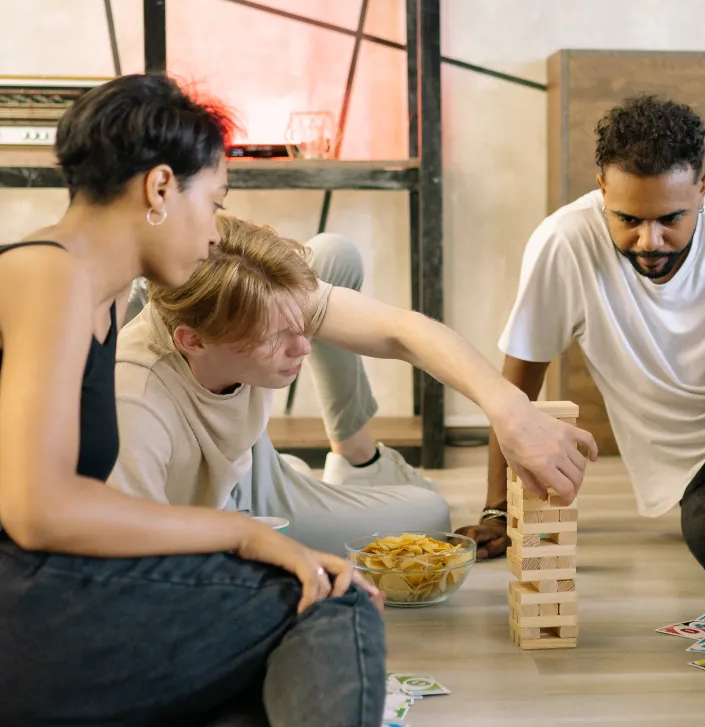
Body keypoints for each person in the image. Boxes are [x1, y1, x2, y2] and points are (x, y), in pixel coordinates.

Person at [0, 74, 590, 727]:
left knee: (278, 644)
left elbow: (394, 328)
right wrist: (243, 536)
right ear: (161, 188)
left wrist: (509, 411)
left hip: (34, 627)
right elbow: (36, 509)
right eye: (217, 199)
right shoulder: (49, 276)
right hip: (22, 618)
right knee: (330, 598)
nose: (215, 232)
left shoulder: (86, 291)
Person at [461, 94, 705, 595]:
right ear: (601, 190)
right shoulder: (563, 243)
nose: (649, 240)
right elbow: (512, 395)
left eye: (670, 219)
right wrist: (497, 511)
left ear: (703, 189)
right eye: (628, 220)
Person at [114, 213, 564, 558]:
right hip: (207, 523)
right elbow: (139, 565)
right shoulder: (135, 401)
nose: (303, 348)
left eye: (302, 325)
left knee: (428, 509)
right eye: (274, 338)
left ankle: (343, 464)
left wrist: (509, 408)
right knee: (430, 517)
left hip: (252, 469)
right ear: (192, 341)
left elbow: (402, 332)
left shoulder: (256, 297)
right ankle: (299, 479)